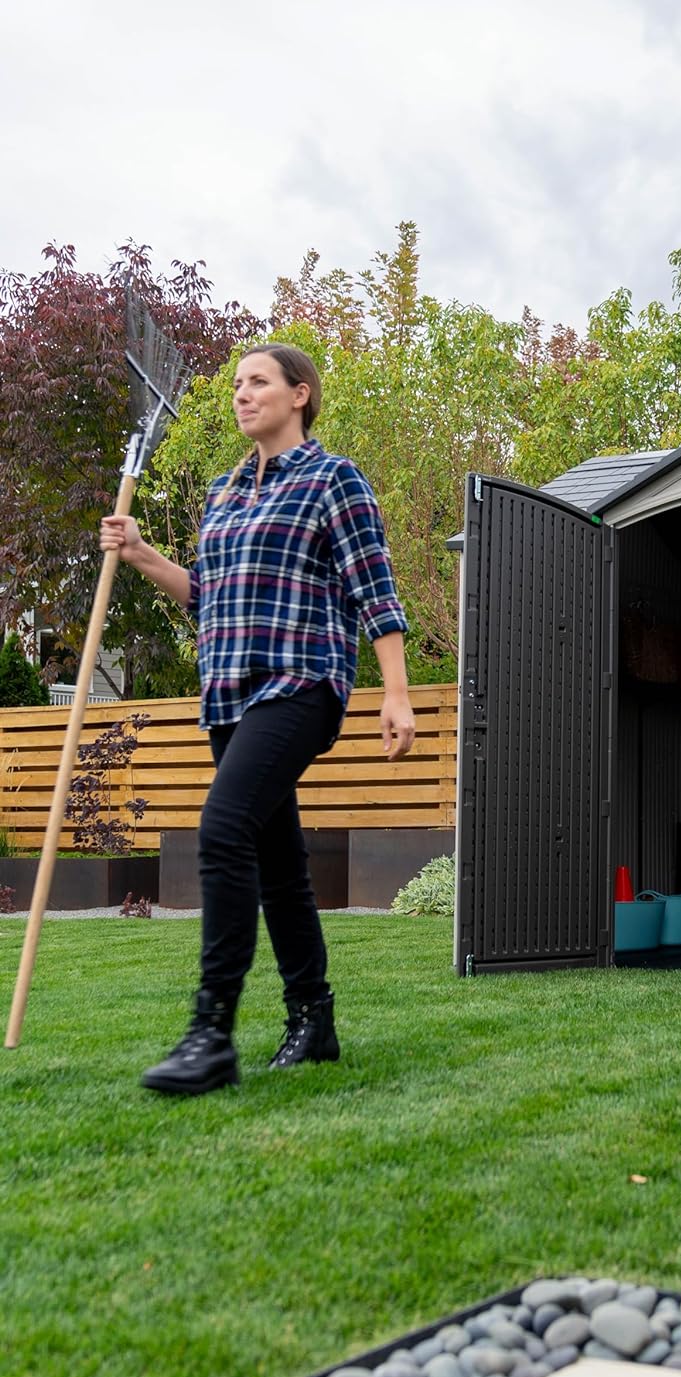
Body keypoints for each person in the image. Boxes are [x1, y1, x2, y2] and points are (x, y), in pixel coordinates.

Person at [100, 343, 415, 1095]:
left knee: (223, 826)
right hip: (230, 693)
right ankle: (314, 1019)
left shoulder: (334, 479)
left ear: (299, 393)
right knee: (278, 863)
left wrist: (397, 690)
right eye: (237, 384)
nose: (242, 394)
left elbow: (375, 588)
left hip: (302, 683)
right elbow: (205, 593)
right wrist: (142, 552)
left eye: (259, 382)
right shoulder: (226, 490)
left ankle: (211, 1033)